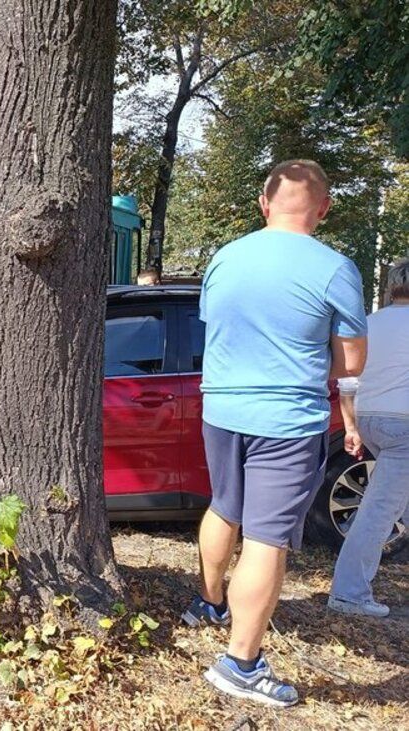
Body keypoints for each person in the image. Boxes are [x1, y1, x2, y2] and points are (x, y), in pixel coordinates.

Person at [185, 159, 367, 708]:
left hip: (220, 407)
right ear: (324, 209)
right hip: (285, 419)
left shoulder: (224, 257)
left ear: (264, 205)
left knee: (224, 506)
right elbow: (352, 358)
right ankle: (241, 664)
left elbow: (215, 327)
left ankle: (209, 603)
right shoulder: (335, 267)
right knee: (266, 539)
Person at [329, 259, 409, 618]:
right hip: (404, 425)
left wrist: (350, 424)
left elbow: (348, 377)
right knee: (380, 510)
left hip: (371, 418)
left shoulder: (370, 324)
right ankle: (349, 593)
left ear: (392, 286)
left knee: (397, 502)